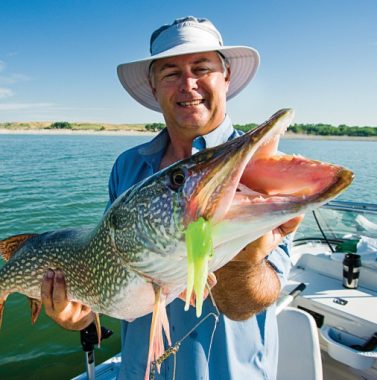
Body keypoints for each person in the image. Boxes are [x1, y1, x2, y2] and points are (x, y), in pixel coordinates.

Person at [41, 16, 303, 379]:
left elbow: (254, 299)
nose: (188, 85)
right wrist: (80, 313)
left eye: (201, 68)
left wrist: (244, 263)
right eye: (170, 73)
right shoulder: (128, 165)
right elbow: (107, 266)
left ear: (225, 75)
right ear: (153, 85)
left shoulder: (260, 168)